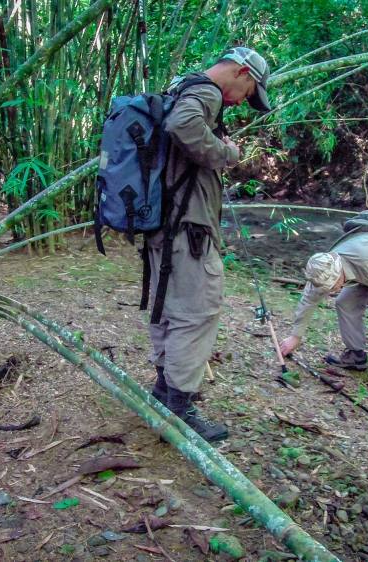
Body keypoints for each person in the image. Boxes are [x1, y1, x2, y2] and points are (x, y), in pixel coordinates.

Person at [147, 47, 272, 442]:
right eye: (249, 92)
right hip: (188, 231)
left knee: (168, 310)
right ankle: (179, 410)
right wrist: (226, 154)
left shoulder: (179, 87)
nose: (242, 102)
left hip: (162, 227)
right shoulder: (206, 93)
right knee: (197, 315)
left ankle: (163, 391)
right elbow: (182, 127)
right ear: (241, 71)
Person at [279, 206, 368, 397]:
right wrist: (295, 336)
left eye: (332, 286)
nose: (329, 291)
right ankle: (356, 356)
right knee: (344, 302)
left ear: (339, 274)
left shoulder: (367, 255)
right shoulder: (322, 268)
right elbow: (308, 300)